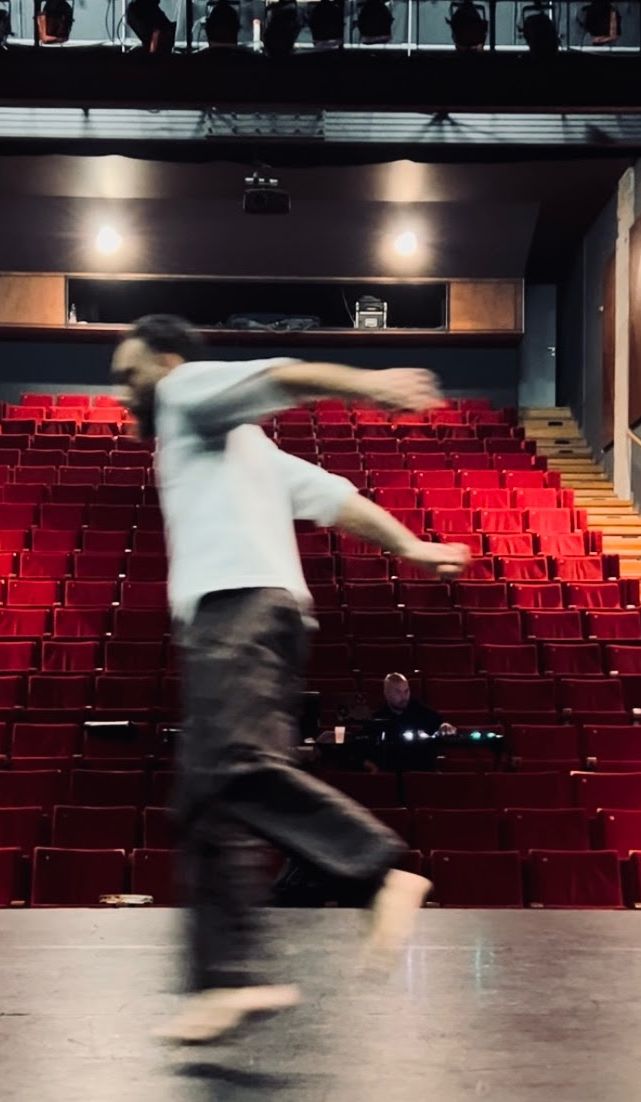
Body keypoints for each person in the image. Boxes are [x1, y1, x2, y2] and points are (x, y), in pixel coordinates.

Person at [110, 315, 470, 1045]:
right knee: (202, 801)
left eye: (130, 373)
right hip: (263, 617)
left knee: (237, 771)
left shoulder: (184, 391)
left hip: (237, 610)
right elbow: (337, 500)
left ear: (169, 360)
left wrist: (368, 387)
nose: (123, 392)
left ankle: (376, 873)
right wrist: (416, 548)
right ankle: (232, 980)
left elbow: (285, 374)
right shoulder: (248, 451)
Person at [373, 673, 458, 740]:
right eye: (398, 692)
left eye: (406, 691)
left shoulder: (420, 711)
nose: (404, 696)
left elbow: (442, 723)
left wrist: (445, 726)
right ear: (386, 693)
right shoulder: (378, 717)